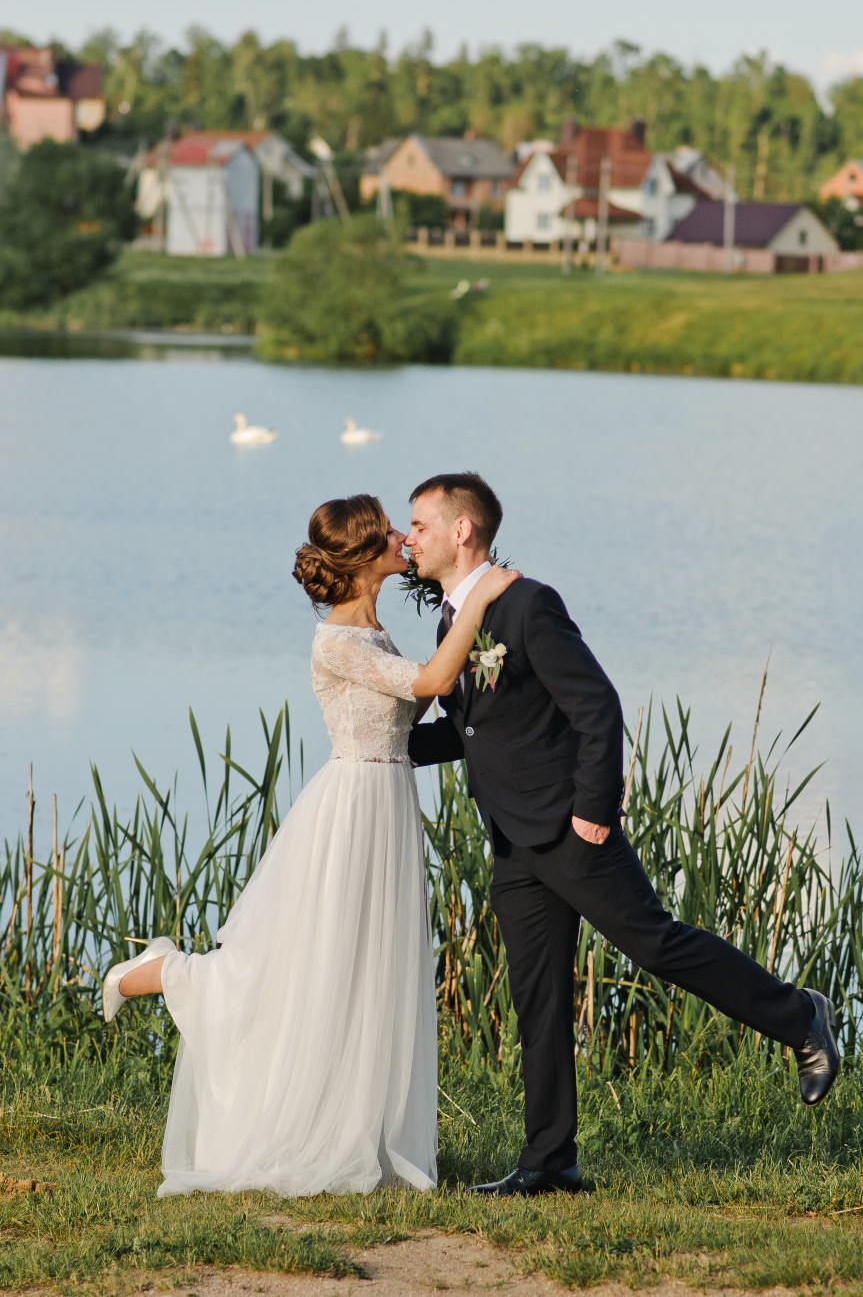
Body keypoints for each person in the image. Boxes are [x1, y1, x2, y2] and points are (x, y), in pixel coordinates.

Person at [405, 471, 840, 1198]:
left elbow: (595, 705)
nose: (406, 537)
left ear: (461, 530)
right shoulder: (452, 618)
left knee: (656, 944)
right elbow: (476, 725)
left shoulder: (527, 604)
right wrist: (385, 749)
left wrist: (594, 809)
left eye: (418, 524)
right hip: (512, 839)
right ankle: (549, 1162)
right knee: (536, 995)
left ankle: (798, 1016)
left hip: (568, 826)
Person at [102, 493, 520, 1198]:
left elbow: (413, 706)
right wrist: (480, 605)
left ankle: (358, 1128)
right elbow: (429, 681)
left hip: (389, 806)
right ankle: (161, 970)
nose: (400, 537)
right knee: (299, 968)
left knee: (362, 972)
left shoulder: (377, 635)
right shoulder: (335, 640)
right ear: (362, 556)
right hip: (349, 810)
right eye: (389, 529)